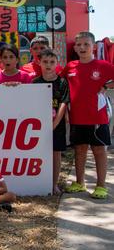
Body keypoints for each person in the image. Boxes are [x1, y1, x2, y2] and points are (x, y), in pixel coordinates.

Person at [61, 31, 114, 199]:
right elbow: (59, 83)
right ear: (75, 47)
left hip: (98, 118)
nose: (82, 47)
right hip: (77, 117)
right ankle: (79, 182)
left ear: (93, 46)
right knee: (80, 150)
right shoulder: (70, 66)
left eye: (86, 44)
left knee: (99, 150)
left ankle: (101, 186)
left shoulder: (104, 65)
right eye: (79, 45)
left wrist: (107, 86)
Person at [33, 49, 69, 195]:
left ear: (57, 64)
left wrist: (54, 124)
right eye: (45, 62)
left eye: (52, 62)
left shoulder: (62, 82)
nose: (48, 65)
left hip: (56, 126)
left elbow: (63, 104)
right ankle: (39, 182)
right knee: (39, 153)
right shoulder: (34, 82)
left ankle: (54, 184)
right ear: (39, 63)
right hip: (38, 126)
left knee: (56, 154)